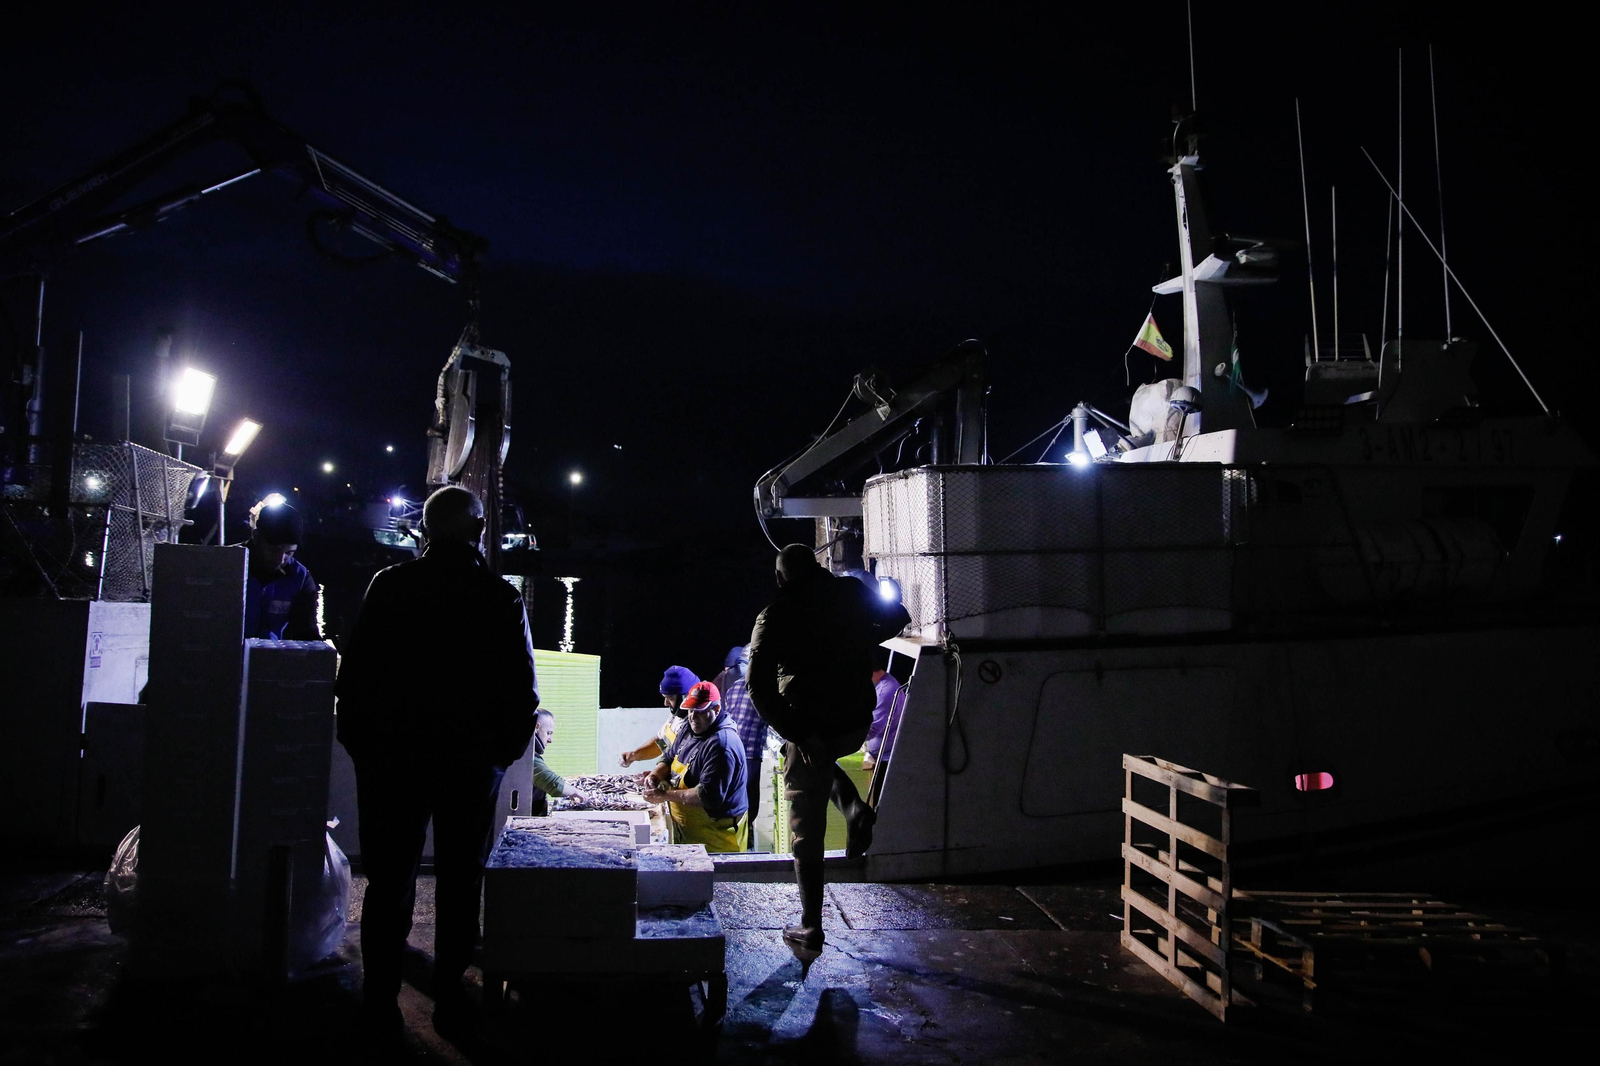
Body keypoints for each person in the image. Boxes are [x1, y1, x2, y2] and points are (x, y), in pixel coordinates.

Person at [334, 485, 539, 1036]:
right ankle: (449, 999)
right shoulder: (499, 597)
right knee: (458, 883)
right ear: (475, 530)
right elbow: (523, 694)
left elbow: (354, 681)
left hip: (392, 764)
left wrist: (365, 750)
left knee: (389, 883)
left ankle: (379, 1004)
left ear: (425, 530)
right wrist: (499, 757)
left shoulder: (389, 587)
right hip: (471, 766)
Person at [747, 544, 910, 951]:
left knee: (807, 833)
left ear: (781, 576)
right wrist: (863, 637)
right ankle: (854, 808)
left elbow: (757, 687)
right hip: (855, 722)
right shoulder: (850, 593)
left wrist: (801, 734)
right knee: (815, 762)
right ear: (817, 567)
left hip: (813, 728)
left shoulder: (774, 616)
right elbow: (899, 617)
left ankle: (811, 925)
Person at [640, 681, 749, 853]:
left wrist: (663, 795)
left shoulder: (722, 745)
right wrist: (655, 775)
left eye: (699, 711)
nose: (692, 717)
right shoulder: (689, 727)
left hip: (717, 838)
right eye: (690, 710)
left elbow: (707, 796)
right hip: (688, 830)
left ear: (716, 710)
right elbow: (668, 756)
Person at [241, 498, 321, 640]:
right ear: (256, 537)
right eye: (274, 550)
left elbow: (306, 631)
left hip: (270, 657)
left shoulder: (300, 578)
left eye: (289, 553)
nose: (280, 559)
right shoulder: (226, 565)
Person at [719, 672, 768, 850]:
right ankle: (741, 848)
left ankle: (732, 844)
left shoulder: (734, 687)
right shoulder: (765, 687)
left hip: (730, 751)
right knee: (749, 808)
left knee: (733, 804)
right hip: (751, 754)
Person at [617, 666, 699, 768]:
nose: (665, 703)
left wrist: (659, 775)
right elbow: (663, 744)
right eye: (665, 698)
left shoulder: (698, 726)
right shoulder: (676, 717)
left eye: (670, 698)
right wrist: (634, 755)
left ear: (686, 697)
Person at [527, 709, 588, 816]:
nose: (550, 740)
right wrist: (575, 792)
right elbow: (552, 783)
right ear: (536, 727)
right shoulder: (526, 756)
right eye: (548, 733)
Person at [860, 655, 905, 771]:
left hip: (886, 759)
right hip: (878, 754)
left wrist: (844, 739)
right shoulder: (885, 681)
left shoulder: (884, 692)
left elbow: (873, 729)